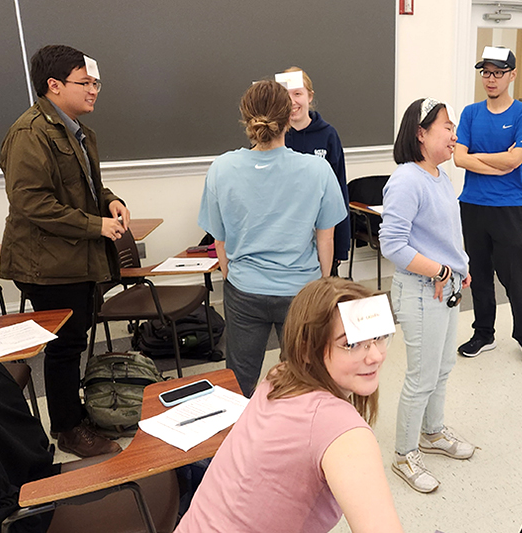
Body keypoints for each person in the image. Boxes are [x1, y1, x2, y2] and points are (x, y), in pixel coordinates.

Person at [174, 278, 404, 533]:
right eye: (350, 344)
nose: (375, 356)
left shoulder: (279, 376)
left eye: (379, 337)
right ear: (306, 350)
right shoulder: (345, 432)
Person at [0, 45, 128, 457]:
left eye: (96, 83)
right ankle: (69, 429)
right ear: (54, 86)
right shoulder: (30, 133)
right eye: (85, 83)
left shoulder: (76, 130)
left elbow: (86, 187)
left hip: (74, 257)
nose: (94, 91)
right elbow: (32, 203)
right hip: (48, 264)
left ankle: (73, 414)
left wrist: (109, 200)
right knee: (64, 345)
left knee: (73, 339)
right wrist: (96, 225)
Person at [198, 80, 346, 397]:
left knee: (239, 378)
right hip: (299, 291)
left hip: (244, 289)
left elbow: (219, 240)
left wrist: (232, 275)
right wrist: (319, 285)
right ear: (288, 117)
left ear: (246, 117)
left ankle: (240, 442)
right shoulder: (317, 170)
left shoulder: (222, 168)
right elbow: (325, 241)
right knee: (304, 376)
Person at [380, 98, 474, 493]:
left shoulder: (438, 175)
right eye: (447, 128)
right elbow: (392, 244)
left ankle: (432, 433)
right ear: (421, 133)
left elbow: (445, 235)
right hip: (421, 291)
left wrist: (460, 268)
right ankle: (404, 454)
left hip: (445, 287)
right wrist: (439, 269)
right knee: (421, 378)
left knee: (443, 369)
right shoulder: (406, 180)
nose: (455, 136)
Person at [453, 46, 522, 368]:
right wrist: (498, 163)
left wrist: (480, 159)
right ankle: (483, 333)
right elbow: (458, 157)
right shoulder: (470, 113)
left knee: (517, 279)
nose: (490, 79)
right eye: (486, 72)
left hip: (508, 207)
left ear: (512, 75)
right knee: (478, 275)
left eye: (498, 73)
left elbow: (515, 158)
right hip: (473, 206)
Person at [283, 67, 350, 276]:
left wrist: (340, 244)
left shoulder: (328, 135)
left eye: (298, 93)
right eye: (286, 96)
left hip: (323, 237)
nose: (292, 102)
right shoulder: (274, 137)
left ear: (309, 96)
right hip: (286, 241)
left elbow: (339, 189)